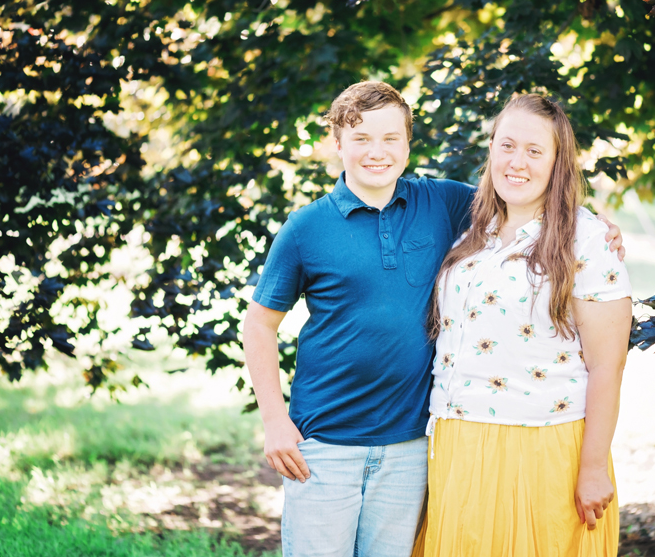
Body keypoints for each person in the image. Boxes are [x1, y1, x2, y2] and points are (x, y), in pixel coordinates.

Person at [242, 82, 625, 557]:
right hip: (326, 442)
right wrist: (275, 421)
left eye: (391, 138)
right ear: (337, 144)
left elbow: (531, 199)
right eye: (360, 138)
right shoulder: (306, 228)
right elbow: (258, 324)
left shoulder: (443, 203)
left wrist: (597, 225)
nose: (377, 152)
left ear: (408, 144)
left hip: (411, 446)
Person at [419, 93, 632, 556]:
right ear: (491, 148)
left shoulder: (588, 240)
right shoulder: (469, 229)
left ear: (558, 162)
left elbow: (607, 366)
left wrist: (594, 467)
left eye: (535, 151)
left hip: (543, 447)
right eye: (507, 145)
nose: (518, 162)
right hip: (455, 442)